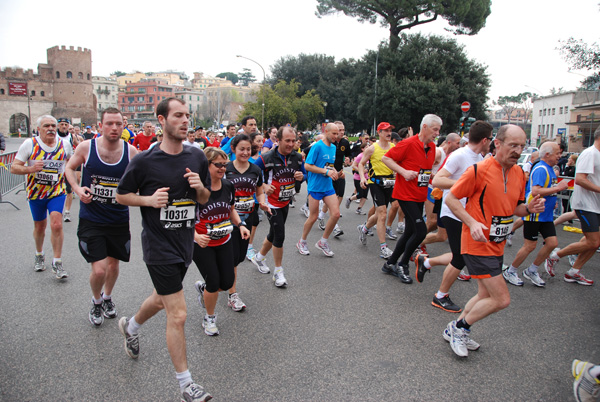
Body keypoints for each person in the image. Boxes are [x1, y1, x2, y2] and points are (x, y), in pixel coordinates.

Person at [115, 98, 212, 401]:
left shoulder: (197, 157)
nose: (186, 121)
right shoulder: (144, 160)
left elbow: (205, 200)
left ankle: (130, 326)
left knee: (161, 299)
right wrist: (147, 200)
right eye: (178, 116)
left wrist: (199, 188)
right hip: (157, 246)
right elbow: (121, 196)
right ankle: (186, 384)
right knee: (179, 314)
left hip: (184, 245)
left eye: (188, 116)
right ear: (161, 120)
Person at [442, 124, 545, 357]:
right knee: (501, 299)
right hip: (476, 243)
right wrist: (471, 222)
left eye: (522, 146)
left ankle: (455, 329)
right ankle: (459, 328)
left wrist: (529, 208)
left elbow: (516, 208)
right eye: (513, 145)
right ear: (497, 144)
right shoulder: (478, 170)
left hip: (496, 243)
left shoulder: (519, 173)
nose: (518, 150)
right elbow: (452, 200)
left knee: (484, 295)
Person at [65, 108, 138, 326]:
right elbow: (69, 168)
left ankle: (107, 297)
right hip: (92, 218)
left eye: (118, 124)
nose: (114, 128)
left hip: (118, 219)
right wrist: (78, 189)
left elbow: (144, 178)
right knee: (99, 269)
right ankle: (96, 301)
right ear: (100, 126)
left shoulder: (131, 152)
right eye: (109, 124)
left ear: (123, 125)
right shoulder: (87, 147)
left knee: (114, 265)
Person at [416, 121, 494, 313]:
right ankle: (440, 296)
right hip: (453, 212)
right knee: (461, 257)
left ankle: (426, 262)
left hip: (469, 213)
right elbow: (437, 179)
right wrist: (464, 184)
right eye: (491, 139)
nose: (491, 142)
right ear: (484, 140)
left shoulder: (480, 157)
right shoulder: (460, 155)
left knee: (465, 255)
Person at [192, 147, 250, 335]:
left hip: (224, 240)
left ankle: (204, 289)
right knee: (214, 283)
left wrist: (240, 224)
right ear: (206, 165)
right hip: (202, 243)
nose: (223, 168)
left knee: (226, 283)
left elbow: (231, 209)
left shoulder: (228, 186)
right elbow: (184, 217)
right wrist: (195, 236)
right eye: (218, 165)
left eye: (224, 165)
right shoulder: (197, 189)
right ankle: (209, 318)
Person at [380, 114, 439, 284]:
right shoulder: (408, 143)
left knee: (410, 232)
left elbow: (423, 169)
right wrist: (403, 172)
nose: (437, 133)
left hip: (419, 195)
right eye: (435, 129)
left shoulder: (432, 147)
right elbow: (386, 158)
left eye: (439, 130)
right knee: (420, 231)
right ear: (425, 127)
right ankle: (403, 264)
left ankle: (390, 264)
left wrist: (431, 176)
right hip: (405, 195)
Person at [11, 115, 73, 278]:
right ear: (39, 129)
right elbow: (14, 168)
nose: (51, 129)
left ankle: (57, 262)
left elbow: (71, 164)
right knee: (40, 226)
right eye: (46, 126)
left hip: (56, 192)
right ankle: (39, 255)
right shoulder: (30, 144)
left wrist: (74, 181)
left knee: (57, 224)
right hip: (36, 193)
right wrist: (30, 169)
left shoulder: (64, 144)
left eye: (53, 125)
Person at [502, 141, 568, 287]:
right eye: (557, 153)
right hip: (535, 214)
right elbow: (536, 190)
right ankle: (511, 271)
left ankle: (532, 269)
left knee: (552, 243)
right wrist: (558, 189)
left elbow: (546, 188)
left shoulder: (549, 169)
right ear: (547, 154)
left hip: (546, 214)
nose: (560, 156)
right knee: (529, 246)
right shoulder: (541, 169)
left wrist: (552, 198)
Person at [545, 126, 600, 285]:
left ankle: (573, 272)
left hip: (596, 205)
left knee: (594, 240)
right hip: (585, 204)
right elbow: (580, 179)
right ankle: (555, 256)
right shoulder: (590, 153)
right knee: (593, 242)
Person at [251, 126, 305, 287]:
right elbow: (250, 174)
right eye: (287, 140)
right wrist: (263, 188)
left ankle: (259, 258)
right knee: (280, 235)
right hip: (270, 203)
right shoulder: (266, 158)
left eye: (293, 141)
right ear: (278, 140)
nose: (290, 144)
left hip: (285, 200)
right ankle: (278, 272)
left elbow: (304, 175)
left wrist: (301, 177)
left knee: (273, 232)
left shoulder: (297, 157)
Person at [222, 135, 269, 311]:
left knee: (240, 257)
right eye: (242, 149)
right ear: (233, 149)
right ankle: (232, 295)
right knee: (232, 258)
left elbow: (259, 192)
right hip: (227, 220)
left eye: (248, 149)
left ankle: (210, 286)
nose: (245, 152)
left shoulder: (256, 170)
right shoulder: (225, 169)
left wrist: (262, 202)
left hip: (247, 218)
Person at [297, 123, 341, 257]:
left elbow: (328, 165)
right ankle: (302, 241)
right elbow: (308, 166)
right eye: (333, 133)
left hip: (327, 186)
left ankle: (323, 241)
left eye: (337, 133)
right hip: (315, 186)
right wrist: (325, 171)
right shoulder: (316, 146)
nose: (336, 136)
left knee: (336, 214)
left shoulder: (333, 147)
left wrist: (334, 171)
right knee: (313, 217)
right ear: (326, 131)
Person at [356, 122, 396, 259]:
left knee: (380, 214)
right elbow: (361, 164)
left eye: (390, 130)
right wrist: (362, 178)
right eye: (386, 130)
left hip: (390, 182)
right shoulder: (372, 148)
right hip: (375, 183)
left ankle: (364, 228)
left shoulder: (393, 147)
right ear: (379, 132)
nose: (389, 133)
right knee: (383, 214)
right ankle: (383, 248)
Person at [245, 131, 265, 261]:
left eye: (261, 141)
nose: (260, 143)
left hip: (256, 197)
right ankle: (247, 247)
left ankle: (248, 246)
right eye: (258, 141)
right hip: (244, 199)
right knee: (246, 222)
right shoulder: (247, 159)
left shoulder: (261, 158)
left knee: (254, 221)